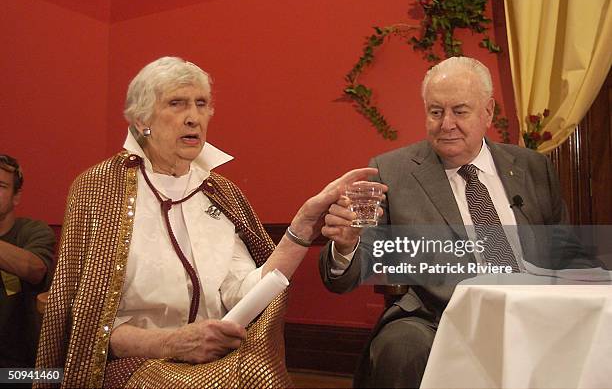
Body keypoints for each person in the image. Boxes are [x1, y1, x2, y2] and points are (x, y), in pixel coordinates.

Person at [35, 56, 385, 388]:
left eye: (201, 104)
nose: (193, 117)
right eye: (176, 104)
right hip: (133, 361)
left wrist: (303, 227)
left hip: (212, 356)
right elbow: (84, 321)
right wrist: (170, 343)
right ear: (142, 120)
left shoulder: (220, 192)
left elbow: (243, 292)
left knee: (256, 372)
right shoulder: (98, 188)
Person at [319, 56, 571, 388]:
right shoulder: (393, 171)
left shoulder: (532, 168)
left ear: (488, 112)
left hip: (531, 310)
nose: (446, 124)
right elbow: (348, 273)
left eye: (460, 111)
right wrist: (346, 245)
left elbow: (566, 253)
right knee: (399, 346)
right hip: (436, 317)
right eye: (436, 112)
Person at [0, 155, 56, 368]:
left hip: (22, 371)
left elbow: (35, 269)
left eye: (0, 185)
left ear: (16, 196)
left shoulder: (33, 231)